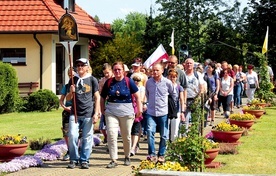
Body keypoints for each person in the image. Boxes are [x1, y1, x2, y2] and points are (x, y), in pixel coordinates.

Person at [100, 61, 142, 168]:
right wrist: (102, 110)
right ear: (113, 71)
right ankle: (113, 159)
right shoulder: (109, 82)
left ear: (123, 71)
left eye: (119, 69)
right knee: (112, 135)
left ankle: (127, 156)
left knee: (126, 136)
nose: (117, 71)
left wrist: (139, 110)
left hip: (127, 112)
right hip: (111, 112)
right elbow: (102, 97)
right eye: (115, 70)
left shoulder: (129, 81)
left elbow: (137, 97)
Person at [67, 58, 101, 169]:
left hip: (88, 113)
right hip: (75, 113)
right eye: (78, 65)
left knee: (87, 138)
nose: (80, 67)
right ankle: (73, 159)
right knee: (72, 135)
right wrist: (71, 92)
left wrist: (96, 113)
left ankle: (84, 160)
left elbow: (97, 97)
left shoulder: (92, 80)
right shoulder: (72, 80)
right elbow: (67, 98)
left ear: (87, 67)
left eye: (83, 65)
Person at [144, 63, 177, 163]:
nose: (155, 72)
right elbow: (147, 95)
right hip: (151, 112)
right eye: (153, 70)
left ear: (162, 71)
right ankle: (152, 154)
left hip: (163, 112)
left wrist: (171, 107)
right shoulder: (148, 82)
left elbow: (174, 94)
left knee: (164, 135)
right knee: (150, 132)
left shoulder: (167, 82)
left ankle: (162, 154)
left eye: (157, 70)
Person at [59, 67, 76, 161]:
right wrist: (65, 107)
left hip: (77, 111)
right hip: (67, 111)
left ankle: (76, 150)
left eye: (73, 75)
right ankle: (69, 150)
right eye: (69, 75)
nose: (71, 77)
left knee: (76, 133)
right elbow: (61, 100)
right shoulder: (66, 86)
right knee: (66, 132)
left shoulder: (80, 85)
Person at [183, 57, 204, 130]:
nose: (189, 64)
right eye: (187, 63)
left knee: (196, 119)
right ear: (185, 65)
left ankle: (195, 134)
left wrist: (198, 98)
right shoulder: (183, 74)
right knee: (185, 119)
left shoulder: (197, 74)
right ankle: (184, 137)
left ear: (193, 65)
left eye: (190, 63)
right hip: (185, 99)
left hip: (195, 99)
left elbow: (201, 87)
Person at [167, 69, 186, 141]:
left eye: (174, 77)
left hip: (176, 110)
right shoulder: (165, 86)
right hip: (167, 110)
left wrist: (182, 112)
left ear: (176, 77)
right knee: (166, 129)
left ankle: (173, 145)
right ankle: (166, 146)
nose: (172, 78)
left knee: (175, 129)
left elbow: (182, 99)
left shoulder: (179, 87)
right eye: (171, 76)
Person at [130, 73, 145, 156]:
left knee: (136, 128)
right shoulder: (129, 88)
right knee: (129, 130)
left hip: (137, 109)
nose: (136, 82)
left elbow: (141, 99)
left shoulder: (141, 88)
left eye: (138, 80)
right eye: (134, 80)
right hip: (129, 109)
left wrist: (140, 108)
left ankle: (133, 146)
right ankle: (133, 145)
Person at [98, 63, 114, 144]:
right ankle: (106, 137)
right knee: (102, 126)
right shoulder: (102, 81)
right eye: (104, 73)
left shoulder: (115, 79)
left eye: (108, 73)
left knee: (111, 126)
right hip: (105, 104)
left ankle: (110, 142)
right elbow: (100, 93)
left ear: (111, 71)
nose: (106, 75)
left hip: (114, 104)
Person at [204, 62, 220, 126]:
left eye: (209, 67)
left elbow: (218, 85)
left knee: (212, 107)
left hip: (213, 92)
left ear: (213, 68)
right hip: (206, 93)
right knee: (206, 106)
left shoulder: (215, 75)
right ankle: (206, 119)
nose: (208, 68)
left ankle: (212, 119)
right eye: (207, 67)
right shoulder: (205, 75)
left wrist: (216, 93)